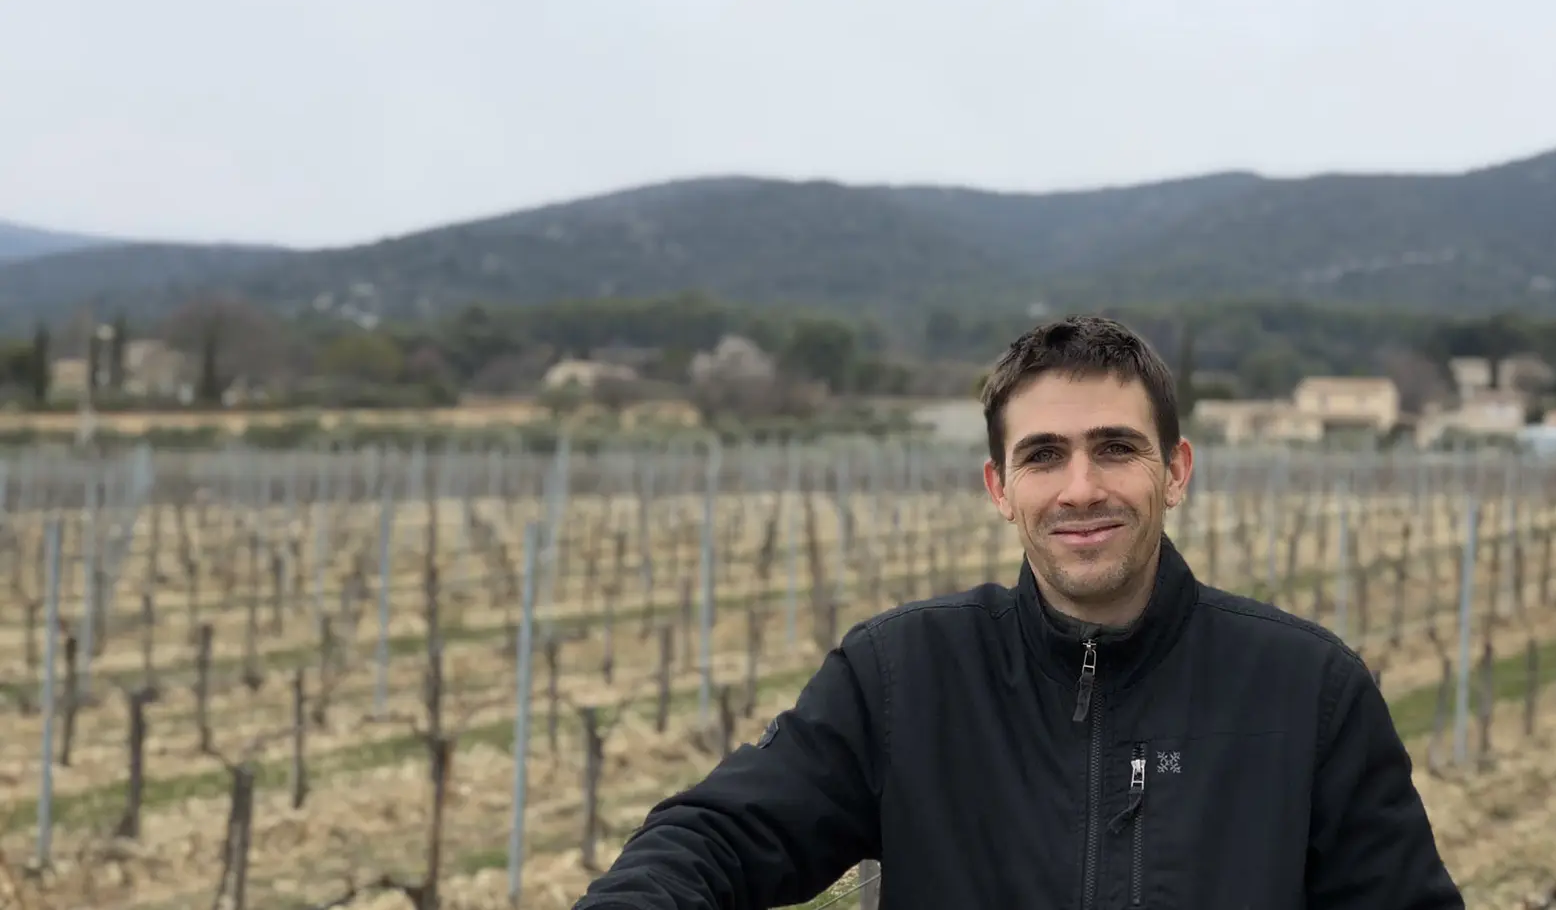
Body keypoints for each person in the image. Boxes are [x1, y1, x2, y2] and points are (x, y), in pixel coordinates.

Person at [573, 315, 1463, 909]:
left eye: (1116, 448)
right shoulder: (903, 675)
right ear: (1001, 487)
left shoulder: (1306, 691)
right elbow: (720, 834)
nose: (1082, 488)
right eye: (1044, 456)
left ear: (1177, 471)